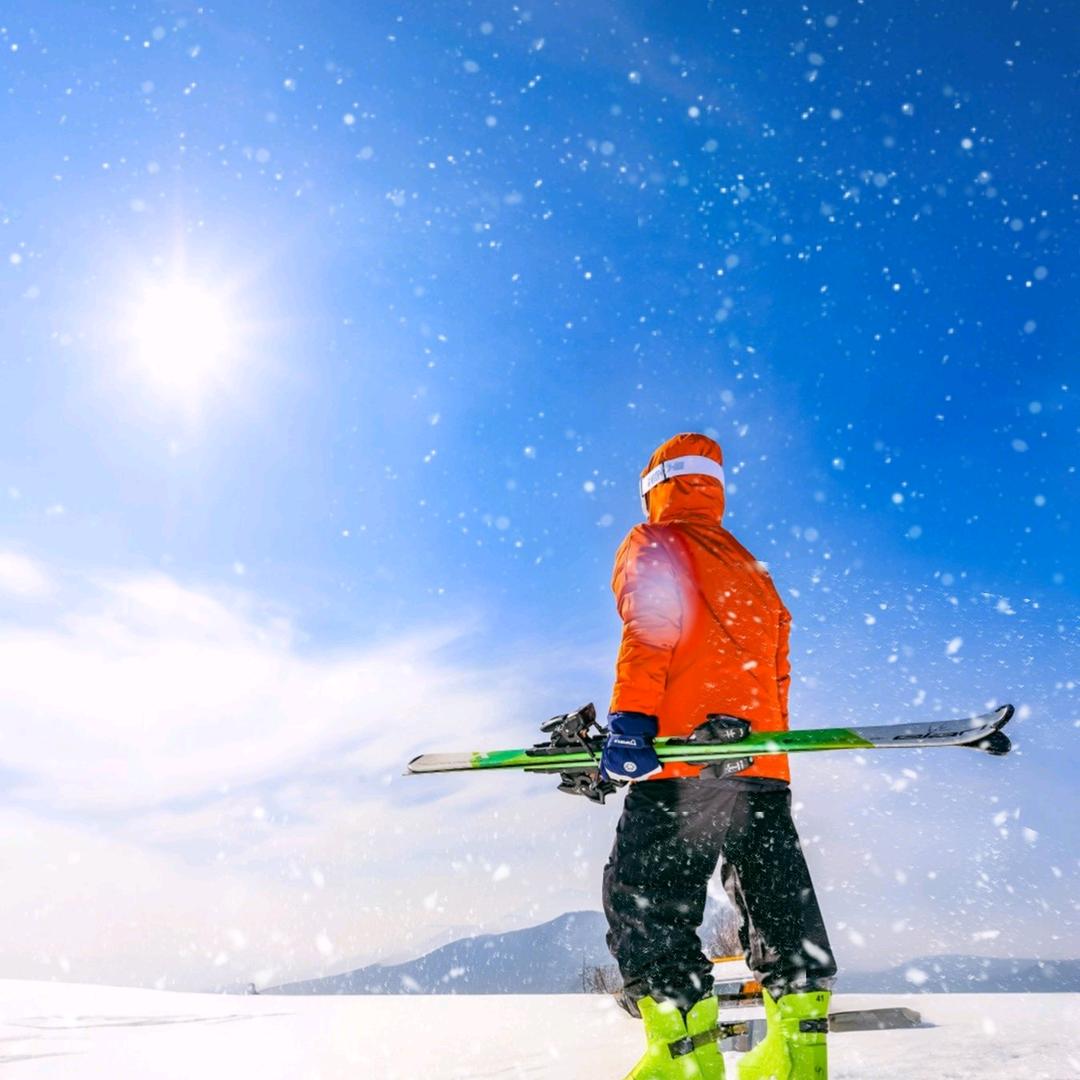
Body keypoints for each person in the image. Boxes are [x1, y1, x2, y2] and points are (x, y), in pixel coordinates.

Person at [600, 433, 836, 1080]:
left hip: (682, 763)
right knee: (777, 899)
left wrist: (629, 723)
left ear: (656, 487)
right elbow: (778, 676)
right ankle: (799, 1051)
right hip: (761, 764)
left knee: (645, 897)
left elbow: (651, 628)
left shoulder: (655, 544)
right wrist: (769, 766)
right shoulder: (755, 571)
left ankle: (685, 1060)